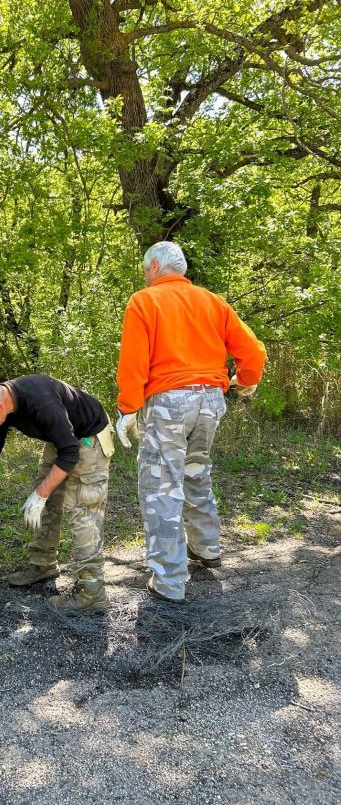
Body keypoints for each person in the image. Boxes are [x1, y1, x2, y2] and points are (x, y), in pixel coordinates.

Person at [116, 241, 267, 603]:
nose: (144, 273)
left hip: (169, 402)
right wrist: (245, 380)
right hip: (211, 401)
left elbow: (134, 362)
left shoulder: (145, 301)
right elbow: (253, 351)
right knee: (196, 471)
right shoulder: (212, 301)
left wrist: (127, 409)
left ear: (154, 265)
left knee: (161, 484)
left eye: (144, 267)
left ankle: (168, 581)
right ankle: (207, 547)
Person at [0, 376, 115, 615]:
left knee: (83, 511)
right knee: (46, 503)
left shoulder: (41, 402)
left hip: (88, 437)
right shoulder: (2, 402)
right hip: (62, 437)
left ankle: (91, 591)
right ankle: (43, 565)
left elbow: (70, 452)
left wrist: (41, 494)